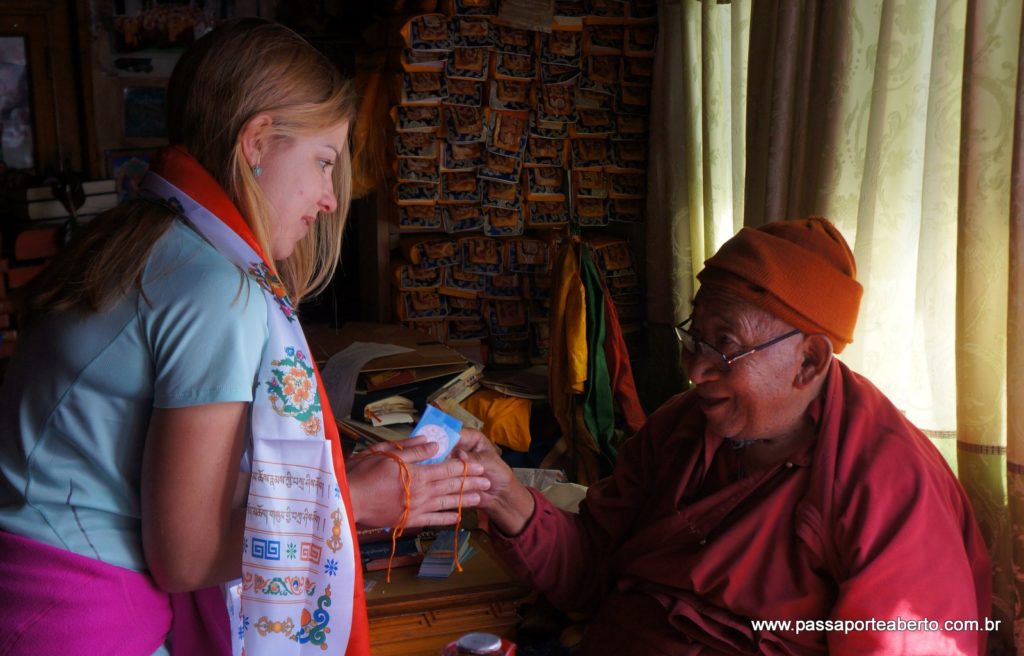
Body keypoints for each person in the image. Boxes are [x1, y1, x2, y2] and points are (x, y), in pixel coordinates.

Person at [0, 18, 488, 656]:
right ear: (257, 141)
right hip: (77, 619)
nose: (328, 199)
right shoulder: (214, 287)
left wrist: (346, 484)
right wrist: (356, 503)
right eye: (322, 163)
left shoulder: (151, 238)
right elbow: (187, 555)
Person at [459, 218, 991, 654]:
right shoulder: (679, 427)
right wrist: (505, 495)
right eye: (694, 338)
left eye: (725, 347)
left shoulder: (888, 484)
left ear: (808, 361)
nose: (696, 369)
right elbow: (592, 565)